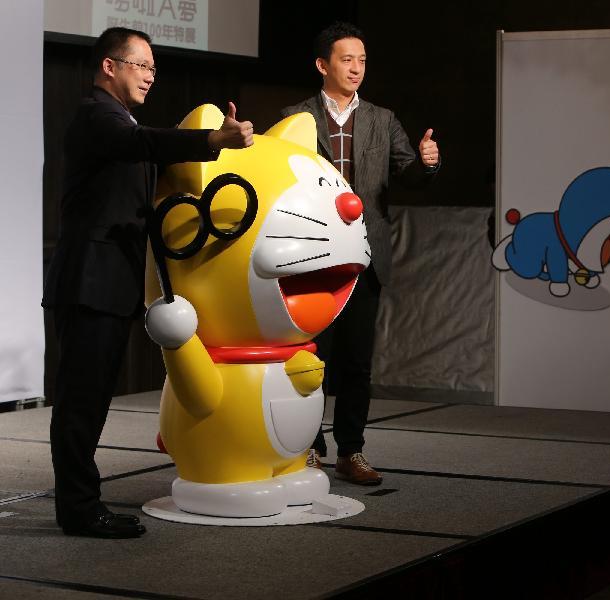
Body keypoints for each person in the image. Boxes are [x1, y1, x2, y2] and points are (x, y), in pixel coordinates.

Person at [42, 27, 253, 538]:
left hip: (109, 285)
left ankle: (80, 502)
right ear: (109, 66)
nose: (151, 77)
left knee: (90, 401)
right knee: (80, 402)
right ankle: (78, 507)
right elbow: (140, 143)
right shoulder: (98, 115)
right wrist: (212, 140)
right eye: (142, 66)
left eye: (154, 69)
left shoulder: (120, 120)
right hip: (89, 283)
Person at [281, 22, 440, 485]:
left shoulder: (381, 119)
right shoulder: (297, 116)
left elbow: (407, 173)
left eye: (362, 61)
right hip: (312, 258)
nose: (356, 68)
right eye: (347, 59)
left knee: (356, 363)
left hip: (365, 257)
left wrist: (427, 164)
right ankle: (307, 448)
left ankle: (351, 452)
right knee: (310, 361)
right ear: (322, 64)